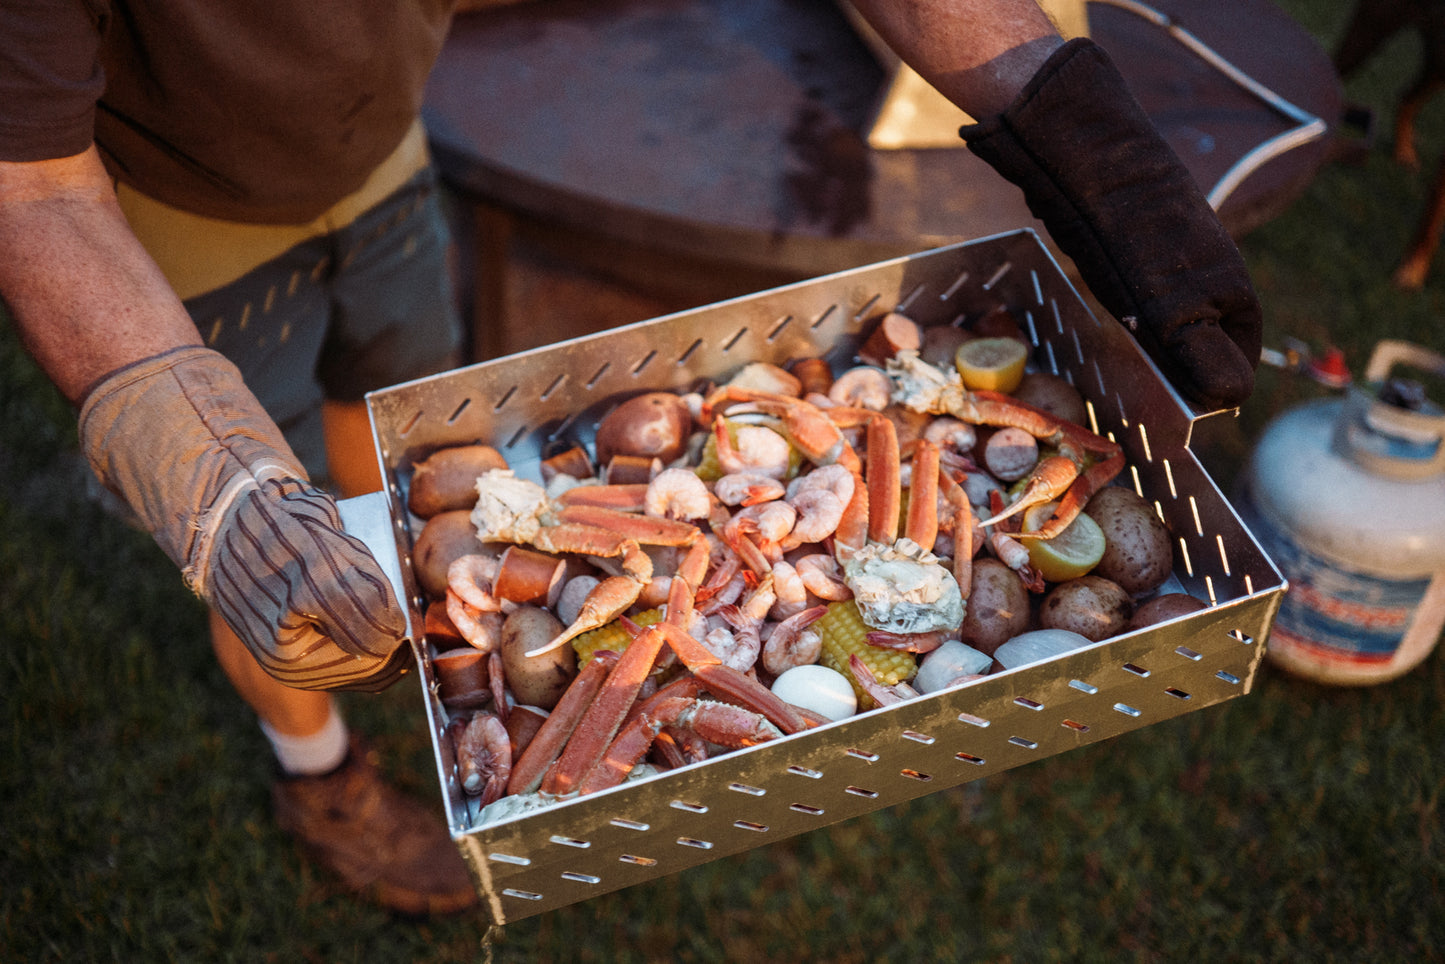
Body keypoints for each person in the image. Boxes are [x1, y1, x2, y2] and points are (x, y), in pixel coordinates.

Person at [0, 0, 1261, 918]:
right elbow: (35, 192)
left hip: (377, 154)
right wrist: (215, 494)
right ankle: (318, 769)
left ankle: (377, 603)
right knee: (269, 551)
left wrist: (1064, 114)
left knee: (389, 470)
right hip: (149, 211)